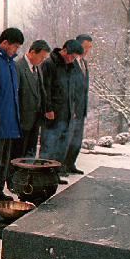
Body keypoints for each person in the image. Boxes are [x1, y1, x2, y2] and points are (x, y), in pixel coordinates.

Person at [0, 28, 24, 203]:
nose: (15, 50)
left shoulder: (11, 64)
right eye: (14, 46)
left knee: (4, 160)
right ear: (4, 43)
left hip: (10, 121)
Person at [39, 39, 85, 183]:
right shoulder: (49, 64)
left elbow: (73, 90)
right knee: (49, 146)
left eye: (75, 58)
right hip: (53, 114)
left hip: (67, 114)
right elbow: (45, 88)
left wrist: (74, 109)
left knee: (61, 147)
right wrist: (48, 109)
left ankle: (54, 175)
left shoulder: (70, 66)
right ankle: (42, 175)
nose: (72, 60)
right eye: (71, 56)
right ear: (64, 51)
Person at [15, 40, 51, 159]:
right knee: (19, 155)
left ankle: (28, 177)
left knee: (31, 154)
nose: (42, 60)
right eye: (41, 57)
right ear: (33, 52)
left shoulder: (37, 68)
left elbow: (41, 92)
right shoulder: (18, 67)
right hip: (23, 122)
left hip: (35, 120)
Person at [63, 34, 93, 175]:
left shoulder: (84, 63)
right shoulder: (70, 62)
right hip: (72, 107)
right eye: (86, 47)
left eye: (89, 48)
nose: (87, 50)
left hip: (82, 107)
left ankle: (71, 163)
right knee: (68, 137)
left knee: (77, 138)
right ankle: (62, 165)